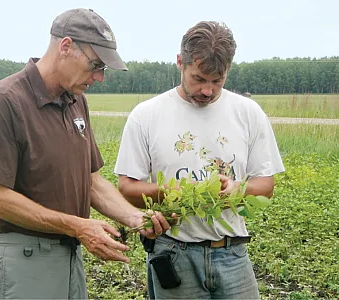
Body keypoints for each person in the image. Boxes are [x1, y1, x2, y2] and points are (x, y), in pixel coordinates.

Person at [0, 8, 171, 300]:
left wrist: (135, 218)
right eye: (96, 65)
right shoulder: (7, 101)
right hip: (21, 263)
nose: (99, 77)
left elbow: (90, 182)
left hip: (69, 258)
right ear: (66, 47)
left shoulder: (76, 101)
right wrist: (78, 226)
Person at [114, 21, 285, 299]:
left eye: (217, 81)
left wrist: (237, 190)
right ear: (180, 62)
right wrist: (170, 193)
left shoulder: (248, 113)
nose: (208, 90)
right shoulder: (147, 115)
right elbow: (127, 187)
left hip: (232, 252)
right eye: (199, 79)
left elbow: (266, 185)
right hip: (173, 251)